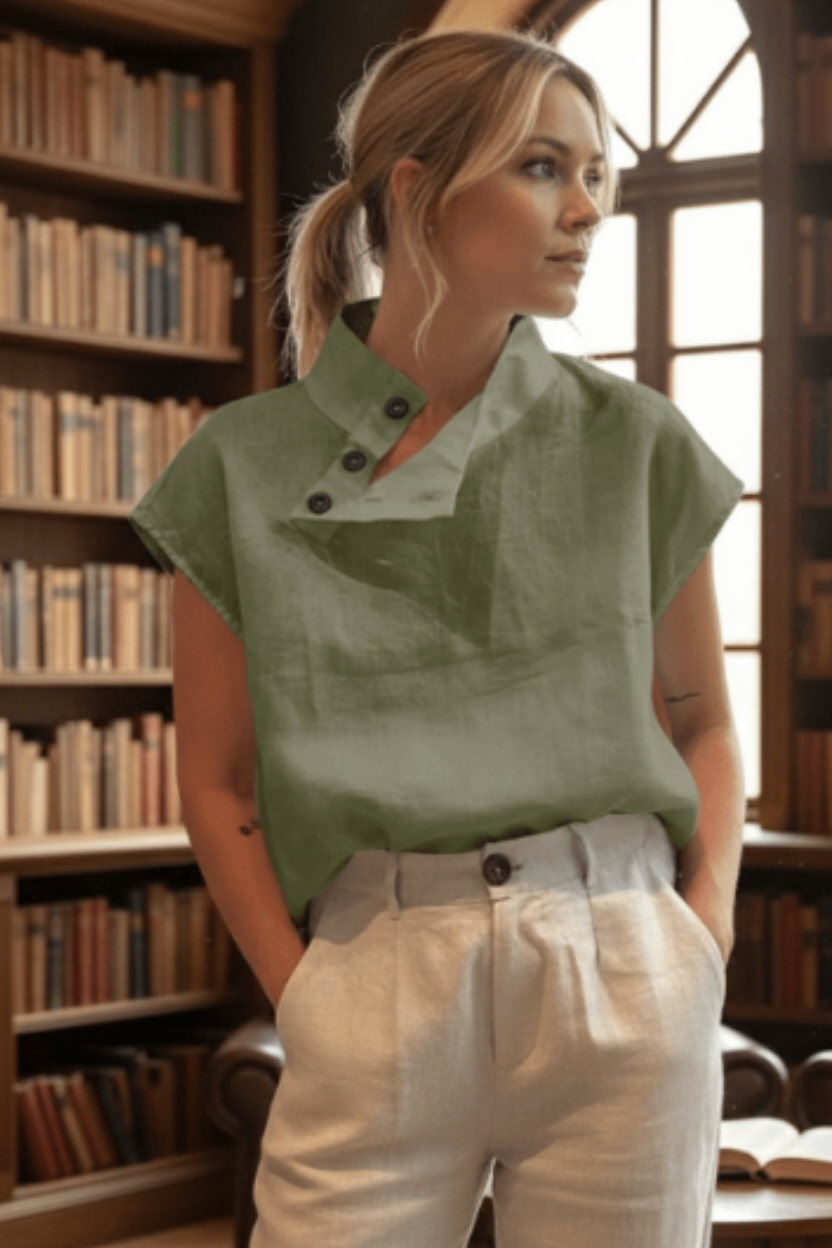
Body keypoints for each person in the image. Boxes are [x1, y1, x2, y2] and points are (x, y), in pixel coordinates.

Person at [128, 26, 747, 1248]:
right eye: (540, 168)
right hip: (375, 977)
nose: (584, 210)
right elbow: (215, 781)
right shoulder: (236, 469)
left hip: (621, 967)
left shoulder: (634, 440)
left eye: (595, 175)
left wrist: (701, 936)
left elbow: (704, 720)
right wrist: (306, 993)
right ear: (415, 190)